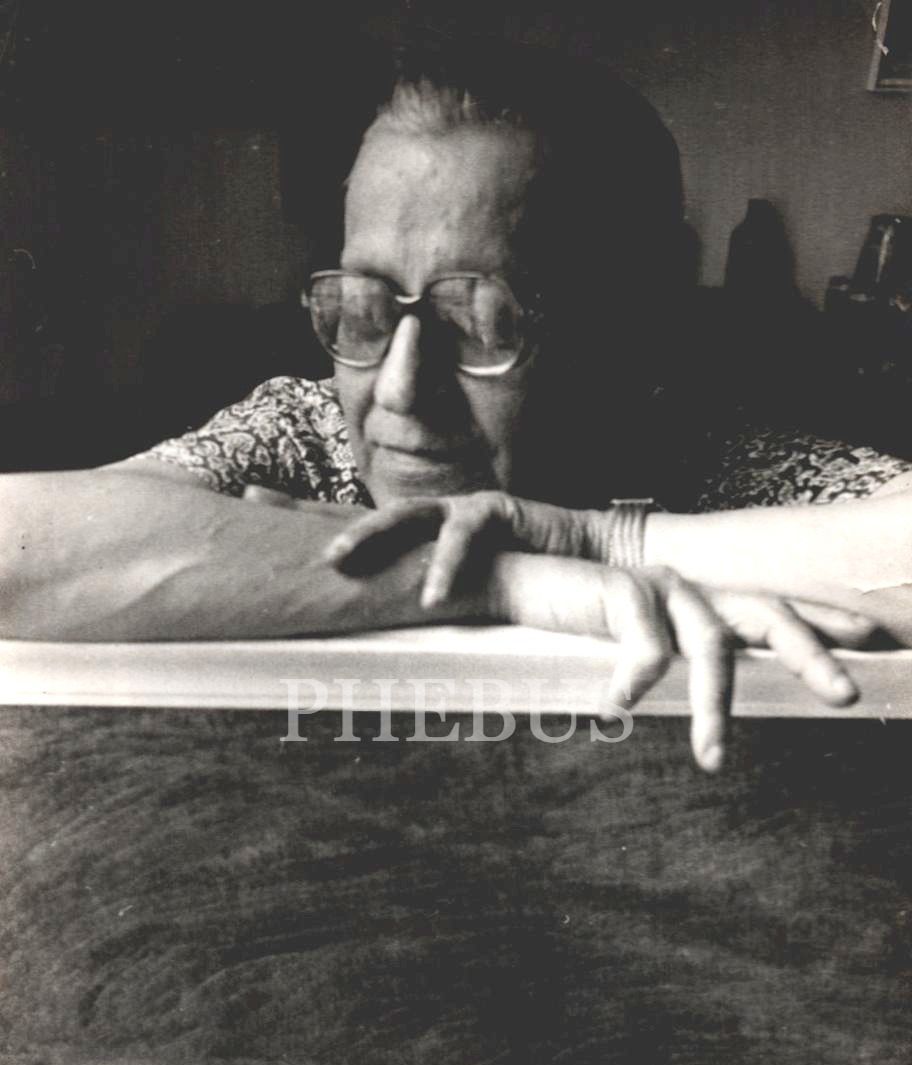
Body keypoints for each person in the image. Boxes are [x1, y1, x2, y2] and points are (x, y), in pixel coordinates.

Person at [2, 37, 911, 770]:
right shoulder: (303, 431)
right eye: (364, 309)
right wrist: (504, 579)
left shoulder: (705, 453)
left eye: (482, 321)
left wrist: (598, 541)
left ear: (635, 316)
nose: (400, 389)